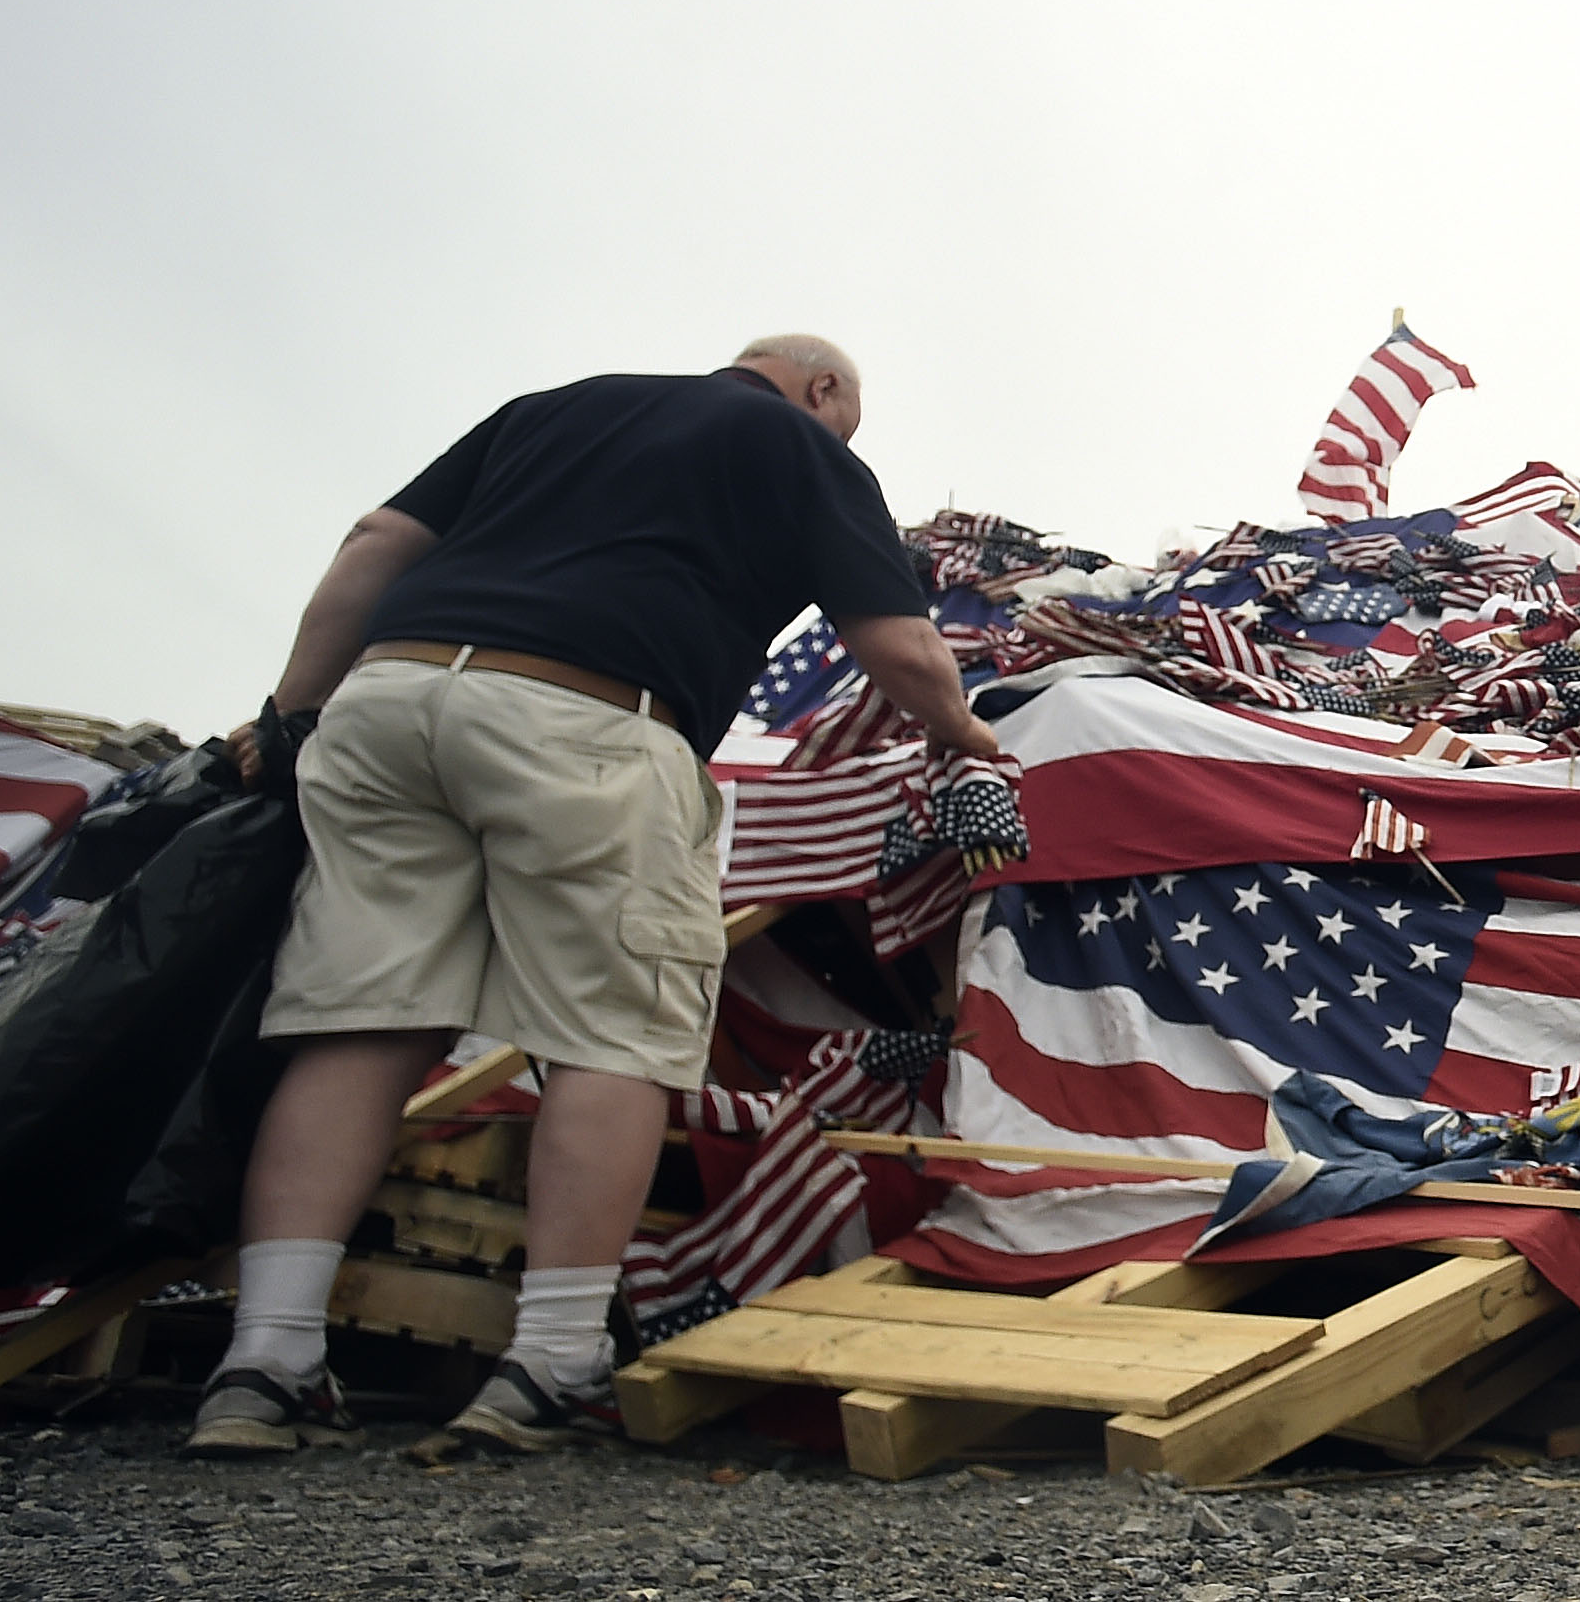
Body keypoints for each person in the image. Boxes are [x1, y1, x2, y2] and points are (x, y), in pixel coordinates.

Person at [185, 336, 1000, 1459]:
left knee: (356, 1024)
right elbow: (895, 643)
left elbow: (374, 541)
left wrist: (286, 714)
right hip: (593, 717)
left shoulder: (551, 408)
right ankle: (555, 1362)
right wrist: (966, 733)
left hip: (388, 703)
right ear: (823, 394)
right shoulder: (793, 444)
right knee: (613, 1036)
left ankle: (264, 1362)